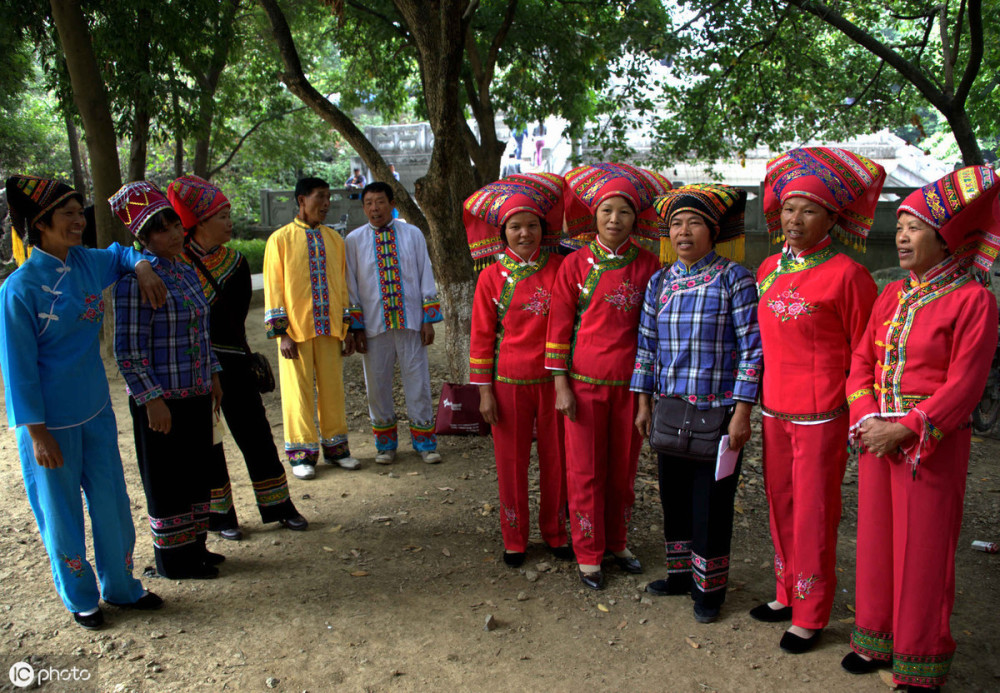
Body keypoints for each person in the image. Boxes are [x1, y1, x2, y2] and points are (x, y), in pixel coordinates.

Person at [842, 166, 999, 691]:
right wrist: (867, 419)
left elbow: (966, 384)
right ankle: (874, 639)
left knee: (924, 551)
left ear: (944, 235)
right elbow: (861, 360)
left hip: (928, 445)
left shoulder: (974, 300)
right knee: (877, 543)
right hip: (876, 439)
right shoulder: (891, 295)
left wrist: (906, 428)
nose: (902, 236)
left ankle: (919, 659)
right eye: (900, 225)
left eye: (913, 226)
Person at [0, 175, 166, 630]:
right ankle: (80, 596)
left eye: (79, 213)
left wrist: (143, 266)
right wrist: (35, 433)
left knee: (111, 499)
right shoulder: (19, 289)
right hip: (49, 424)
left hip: (95, 410)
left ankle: (122, 586)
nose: (79, 222)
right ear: (41, 224)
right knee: (61, 511)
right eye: (68, 215)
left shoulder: (87, 263)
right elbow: (18, 368)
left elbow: (123, 254)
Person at [752, 147, 885, 654]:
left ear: (831, 216)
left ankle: (811, 611)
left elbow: (864, 350)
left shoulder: (850, 276)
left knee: (814, 512)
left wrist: (859, 415)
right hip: (772, 409)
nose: (794, 219)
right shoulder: (766, 269)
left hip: (822, 413)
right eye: (788, 209)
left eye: (808, 210)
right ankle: (786, 592)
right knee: (779, 502)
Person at [632, 184, 762, 624]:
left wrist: (742, 412)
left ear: (712, 230)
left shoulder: (734, 278)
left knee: (712, 502)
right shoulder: (660, 281)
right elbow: (647, 347)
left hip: (718, 412)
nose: (683, 231)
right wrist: (643, 403)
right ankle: (680, 575)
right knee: (674, 498)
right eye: (675, 224)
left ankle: (710, 591)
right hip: (670, 409)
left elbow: (752, 350)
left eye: (693, 223)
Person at [546, 162, 670, 590]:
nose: (615, 220)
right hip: (582, 384)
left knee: (624, 469)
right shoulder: (575, 264)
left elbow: (653, 333)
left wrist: (647, 395)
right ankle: (587, 551)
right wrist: (561, 385)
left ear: (637, 219)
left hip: (632, 386)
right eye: (607, 211)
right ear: (593, 216)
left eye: (624, 212)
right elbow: (559, 329)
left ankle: (618, 541)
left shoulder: (651, 265)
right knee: (584, 470)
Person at [169, 175, 308, 539]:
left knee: (256, 434)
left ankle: (279, 505)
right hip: (193, 366)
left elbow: (236, 316)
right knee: (208, 441)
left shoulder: (235, 262)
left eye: (229, 214)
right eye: (222, 216)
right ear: (198, 223)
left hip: (232, 360)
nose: (230, 222)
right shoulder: (174, 264)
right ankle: (221, 516)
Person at [111, 180, 224, 580]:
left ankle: (195, 547)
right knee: (167, 479)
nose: (174, 234)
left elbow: (201, 329)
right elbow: (127, 350)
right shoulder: (134, 281)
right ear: (143, 237)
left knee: (195, 472)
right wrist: (151, 399)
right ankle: (175, 560)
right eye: (161, 229)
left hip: (194, 390)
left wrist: (212, 373)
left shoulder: (186, 270)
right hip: (162, 399)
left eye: (175, 224)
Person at [465, 172, 571, 566]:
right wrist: (484, 391)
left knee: (556, 460)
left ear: (543, 229)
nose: (524, 233)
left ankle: (556, 531)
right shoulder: (491, 277)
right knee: (510, 464)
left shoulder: (563, 266)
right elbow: (481, 336)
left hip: (554, 382)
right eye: (515, 226)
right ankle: (514, 536)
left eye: (531, 225)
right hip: (507, 383)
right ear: (502, 232)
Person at [263, 177, 359, 479]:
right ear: (302, 200)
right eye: (320, 197)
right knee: (298, 392)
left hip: (330, 328)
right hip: (296, 332)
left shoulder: (335, 240)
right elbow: (273, 288)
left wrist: (347, 327)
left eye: (329, 197)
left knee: (333, 390)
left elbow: (342, 286)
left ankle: (337, 449)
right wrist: (282, 334)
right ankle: (301, 454)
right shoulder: (279, 240)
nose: (327, 203)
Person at [345, 181, 443, 464]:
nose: (374, 208)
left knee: (419, 381)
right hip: (374, 326)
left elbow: (426, 273)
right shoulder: (353, 240)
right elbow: (350, 285)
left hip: (411, 322)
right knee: (376, 384)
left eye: (379, 202)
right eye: (369, 203)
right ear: (364, 207)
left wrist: (428, 319)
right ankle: (385, 445)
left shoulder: (412, 234)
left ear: (391, 203)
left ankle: (425, 443)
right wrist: (356, 326)